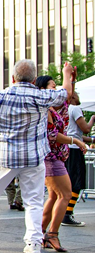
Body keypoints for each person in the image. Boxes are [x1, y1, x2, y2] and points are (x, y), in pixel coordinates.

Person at [0, 60, 74, 253]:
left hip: (6, 156)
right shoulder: (40, 95)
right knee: (34, 201)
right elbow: (66, 92)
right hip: (33, 157)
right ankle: (33, 242)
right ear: (33, 80)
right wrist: (66, 73)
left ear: (13, 78)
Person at [36, 75, 85, 251]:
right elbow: (52, 136)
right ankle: (51, 234)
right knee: (65, 194)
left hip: (53, 157)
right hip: (51, 157)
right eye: (53, 86)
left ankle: (40, 233)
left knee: (54, 196)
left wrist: (71, 79)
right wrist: (76, 141)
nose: (57, 90)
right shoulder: (45, 108)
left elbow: (68, 94)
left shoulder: (52, 107)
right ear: (43, 89)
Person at [63, 91, 95, 227]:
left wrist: (92, 140)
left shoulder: (64, 110)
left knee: (69, 181)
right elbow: (86, 129)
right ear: (73, 97)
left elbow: (78, 135)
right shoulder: (75, 109)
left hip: (67, 147)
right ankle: (67, 214)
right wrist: (93, 118)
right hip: (75, 150)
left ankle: (65, 212)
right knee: (77, 182)